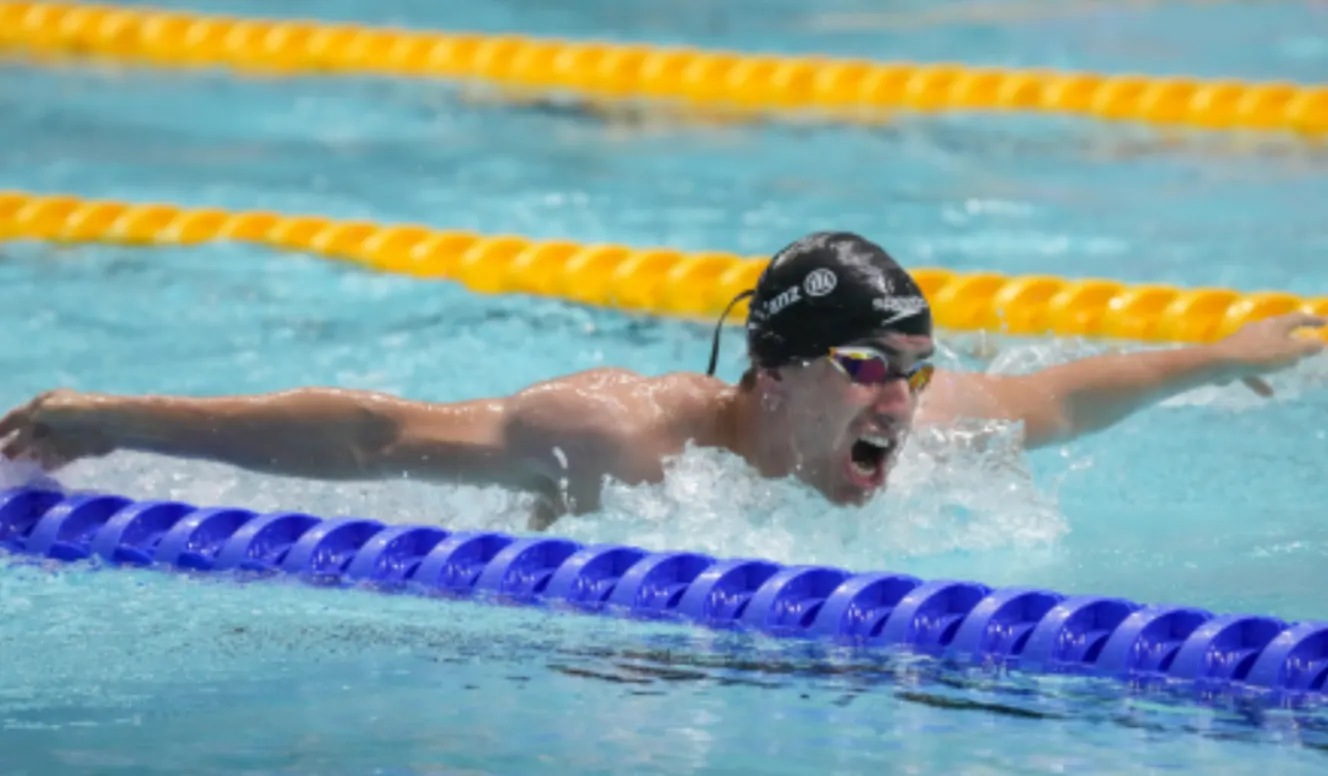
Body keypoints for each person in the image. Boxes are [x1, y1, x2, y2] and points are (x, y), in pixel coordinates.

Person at [1, 232, 1323, 530]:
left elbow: (1084, 388)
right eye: (871, 368)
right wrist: (104, 419)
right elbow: (371, 434)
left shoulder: (932, 438)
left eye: (918, 372)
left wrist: (1216, 356)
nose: (903, 404)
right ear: (775, 372)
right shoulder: (625, 437)